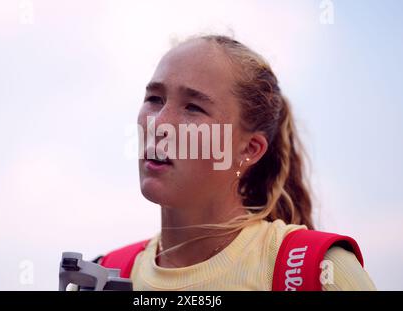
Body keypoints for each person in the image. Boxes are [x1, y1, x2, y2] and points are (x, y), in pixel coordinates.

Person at [109, 34, 376, 291]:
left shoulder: (321, 273)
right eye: (154, 99)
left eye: (193, 107)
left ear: (249, 149)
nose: (159, 123)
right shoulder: (106, 274)